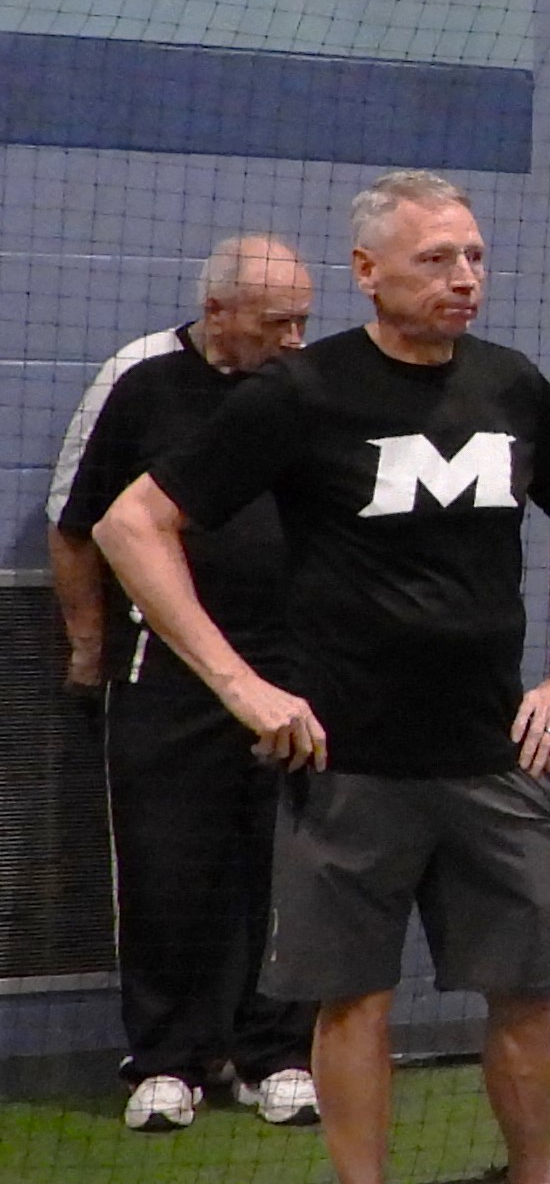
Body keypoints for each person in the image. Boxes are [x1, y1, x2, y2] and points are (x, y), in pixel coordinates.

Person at [91, 169, 550, 1184]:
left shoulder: (512, 387)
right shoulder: (302, 392)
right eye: (437, 258)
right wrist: (240, 685)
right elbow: (130, 524)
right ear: (368, 272)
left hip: (493, 757)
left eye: (475, 256)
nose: (464, 278)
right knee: (356, 999)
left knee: (527, 993)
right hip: (349, 765)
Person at [48, 237, 320, 1131]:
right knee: (165, 870)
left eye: (303, 320)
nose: (294, 338)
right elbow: (79, 525)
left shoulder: (310, 393)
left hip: (289, 672)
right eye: (276, 322)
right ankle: (166, 1062)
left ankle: (275, 1054)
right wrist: (88, 647)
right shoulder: (144, 387)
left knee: (287, 869)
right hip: (163, 674)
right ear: (217, 313)